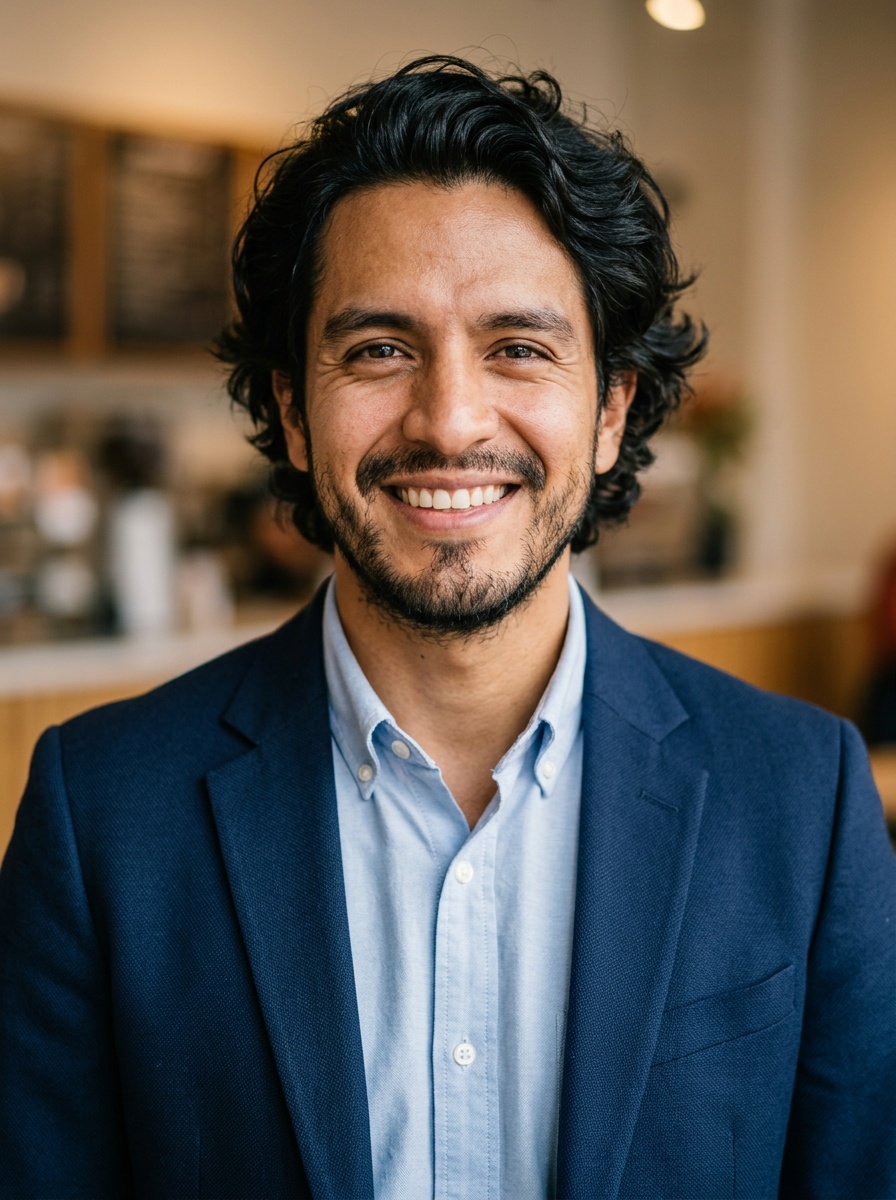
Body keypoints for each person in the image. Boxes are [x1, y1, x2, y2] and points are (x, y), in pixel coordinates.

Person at [1, 56, 894, 1200]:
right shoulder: (103, 815)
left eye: (517, 347)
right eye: (378, 349)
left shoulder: (800, 800)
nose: (449, 419)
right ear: (290, 405)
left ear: (611, 409)